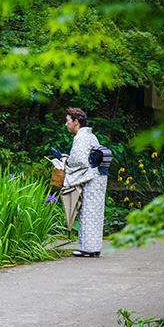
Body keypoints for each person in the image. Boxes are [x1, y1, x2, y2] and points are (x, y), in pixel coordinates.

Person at [62, 107, 107, 257]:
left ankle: (86, 249)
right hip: (99, 176)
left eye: (68, 121)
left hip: (91, 179)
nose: (66, 124)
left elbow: (80, 160)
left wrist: (66, 160)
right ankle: (93, 247)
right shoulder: (90, 135)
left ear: (76, 122)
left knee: (88, 211)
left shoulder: (80, 137)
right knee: (95, 213)